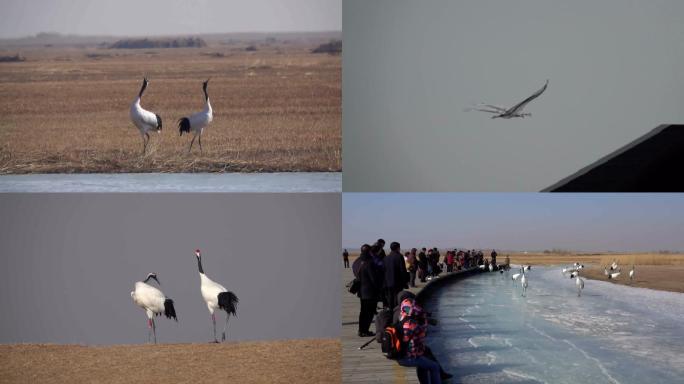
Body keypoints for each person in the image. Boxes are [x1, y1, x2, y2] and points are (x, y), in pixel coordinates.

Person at [396, 297, 442, 384]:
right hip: (408, 357)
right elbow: (422, 335)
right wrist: (424, 321)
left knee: (424, 365)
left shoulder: (401, 317)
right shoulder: (411, 324)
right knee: (435, 367)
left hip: (400, 354)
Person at [352, 244, 379, 337]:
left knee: (363, 311)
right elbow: (374, 279)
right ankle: (365, 330)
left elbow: (354, 270)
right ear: (369, 251)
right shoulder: (369, 262)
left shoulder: (357, 261)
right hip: (370, 291)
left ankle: (361, 330)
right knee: (369, 312)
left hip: (361, 290)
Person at [384, 242, 409, 310]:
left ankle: (390, 311)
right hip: (397, 282)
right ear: (398, 248)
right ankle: (395, 312)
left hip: (387, 282)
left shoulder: (386, 258)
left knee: (390, 298)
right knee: (397, 298)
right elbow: (402, 270)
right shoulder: (399, 256)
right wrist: (405, 281)